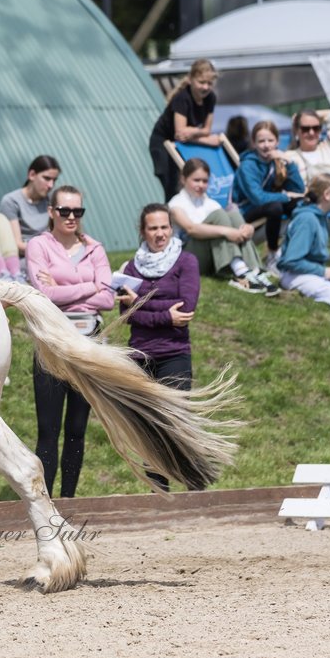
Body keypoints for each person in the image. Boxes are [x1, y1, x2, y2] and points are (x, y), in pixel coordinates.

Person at [25, 186, 114, 499]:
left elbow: (109, 296)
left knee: (77, 429)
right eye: (65, 211)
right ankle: (45, 502)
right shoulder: (38, 245)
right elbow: (45, 295)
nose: (72, 217)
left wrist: (65, 287)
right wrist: (90, 286)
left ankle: (69, 499)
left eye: (78, 211)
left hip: (88, 344)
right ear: (51, 212)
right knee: (48, 431)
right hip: (52, 344)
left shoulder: (95, 248)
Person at [116, 204, 201, 492]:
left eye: (164, 227)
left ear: (171, 228)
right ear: (143, 231)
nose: (160, 233)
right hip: (140, 354)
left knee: (177, 422)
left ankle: (194, 485)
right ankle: (158, 493)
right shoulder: (130, 268)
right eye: (153, 228)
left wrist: (138, 300)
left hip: (174, 353)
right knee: (148, 427)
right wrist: (165, 313)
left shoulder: (186, 261)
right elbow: (125, 316)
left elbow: (186, 308)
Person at [167, 158, 276, 295]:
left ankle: (254, 270)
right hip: (188, 259)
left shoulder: (209, 202)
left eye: (205, 181)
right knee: (219, 216)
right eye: (196, 180)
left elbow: (230, 224)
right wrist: (226, 231)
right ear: (183, 179)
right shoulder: (176, 204)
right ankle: (241, 272)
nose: (201, 185)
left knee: (233, 215)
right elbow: (191, 229)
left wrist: (247, 229)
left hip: (210, 257)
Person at [232, 120, 304, 271]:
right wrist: (285, 196)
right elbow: (257, 198)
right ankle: (271, 256)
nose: (266, 145)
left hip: (267, 205)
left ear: (277, 141)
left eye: (270, 140)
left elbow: (298, 190)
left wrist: (289, 162)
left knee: (300, 203)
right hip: (245, 211)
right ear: (254, 143)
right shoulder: (248, 165)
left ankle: (295, 251)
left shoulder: (276, 161)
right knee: (275, 207)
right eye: (261, 141)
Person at [149, 59, 223, 201]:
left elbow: (206, 129)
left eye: (209, 84)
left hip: (183, 143)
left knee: (190, 181)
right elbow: (180, 133)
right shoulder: (182, 99)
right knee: (172, 185)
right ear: (190, 79)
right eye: (201, 82)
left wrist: (193, 131)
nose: (205, 87)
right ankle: (172, 217)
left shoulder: (210, 98)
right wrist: (207, 140)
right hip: (163, 143)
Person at [276, 174, 330, 309]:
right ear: (326, 194)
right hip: (295, 275)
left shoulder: (320, 217)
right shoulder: (307, 220)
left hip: (312, 272)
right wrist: (325, 272)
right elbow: (291, 261)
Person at [0, 155, 61, 259]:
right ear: (32, 175)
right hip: (23, 262)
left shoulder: (53, 201)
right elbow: (17, 245)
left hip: (50, 258)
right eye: (47, 178)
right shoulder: (11, 202)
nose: (51, 185)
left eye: (54, 180)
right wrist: (47, 251)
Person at [283, 109, 330, 185]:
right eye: (305, 129)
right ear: (296, 130)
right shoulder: (289, 157)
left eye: (316, 128)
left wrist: (313, 114)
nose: (311, 133)